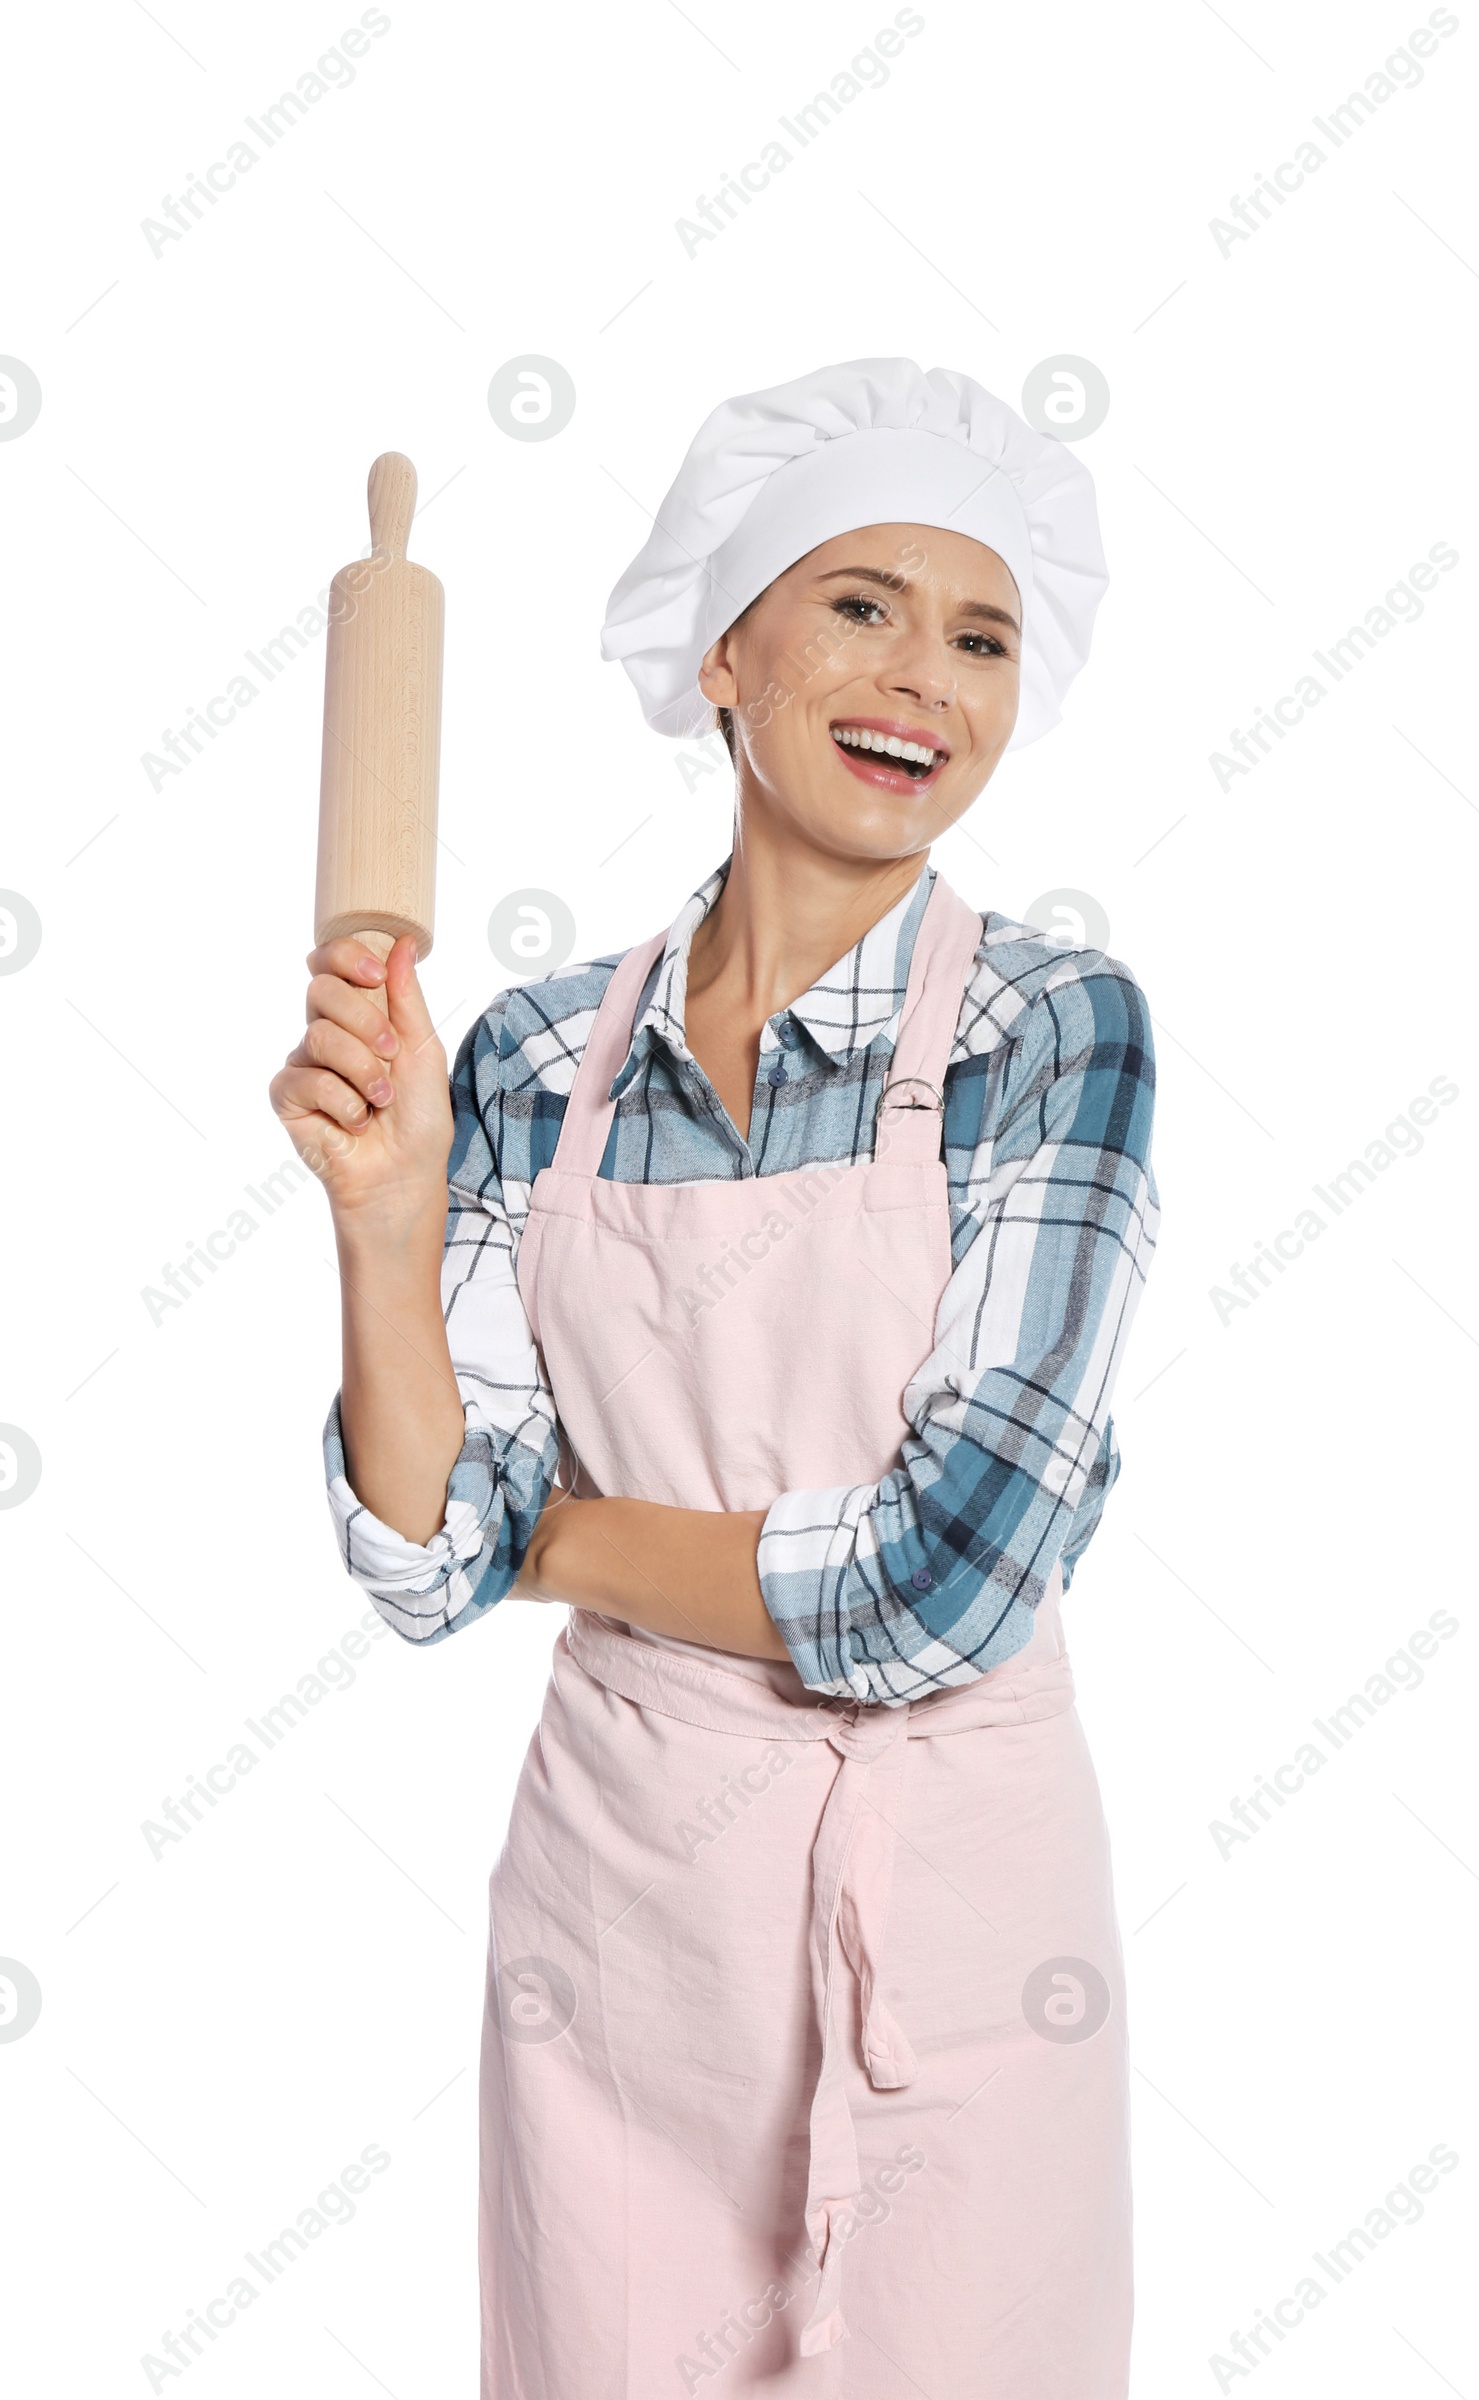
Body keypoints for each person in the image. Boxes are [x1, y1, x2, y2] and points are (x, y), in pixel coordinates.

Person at [270, 358, 1161, 2396]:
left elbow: (946, 1583)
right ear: (727, 654)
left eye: (980, 634)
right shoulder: (516, 1062)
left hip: (953, 1923)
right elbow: (423, 1565)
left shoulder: (1049, 1028)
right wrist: (388, 1223)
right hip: (621, 1935)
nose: (920, 682)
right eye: (858, 603)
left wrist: (554, 1540)